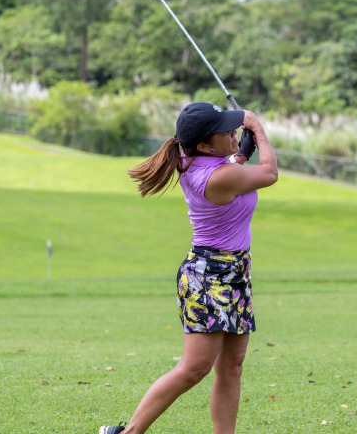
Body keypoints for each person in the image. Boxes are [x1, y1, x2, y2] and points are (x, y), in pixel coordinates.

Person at [100, 102, 278, 434]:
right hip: (208, 277)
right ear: (205, 145)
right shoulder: (217, 175)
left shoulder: (203, 160)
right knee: (193, 369)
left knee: (232, 367)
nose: (234, 132)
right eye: (226, 131)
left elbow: (229, 168)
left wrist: (240, 152)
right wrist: (258, 129)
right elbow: (269, 174)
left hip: (235, 273)